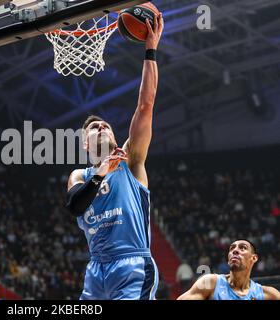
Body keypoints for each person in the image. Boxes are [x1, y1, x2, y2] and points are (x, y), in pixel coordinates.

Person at [66, 14, 164, 300]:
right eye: (94, 128)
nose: (101, 126)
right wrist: (101, 172)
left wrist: (150, 48)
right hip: (96, 269)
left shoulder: (131, 160)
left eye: (105, 125)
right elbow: (75, 206)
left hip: (132, 263)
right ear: (86, 144)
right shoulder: (79, 176)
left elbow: (146, 104)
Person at [177, 239, 280, 300]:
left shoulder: (268, 294)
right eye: (232, 248)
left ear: (254, 258)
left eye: (242, 248)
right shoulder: (210, 283)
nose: (235, 250)